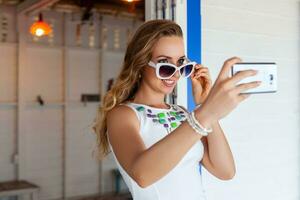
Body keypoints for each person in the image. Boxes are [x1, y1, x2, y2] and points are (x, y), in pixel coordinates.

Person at [93, 19, 260, 200]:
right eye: (165, 64)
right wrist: (206, 113)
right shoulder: (123, 115)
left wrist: (205, 106)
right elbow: (142, 174)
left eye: (181, 63)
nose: (175, 73)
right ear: (141, 64)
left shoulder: (183, 113)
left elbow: (225, 171)